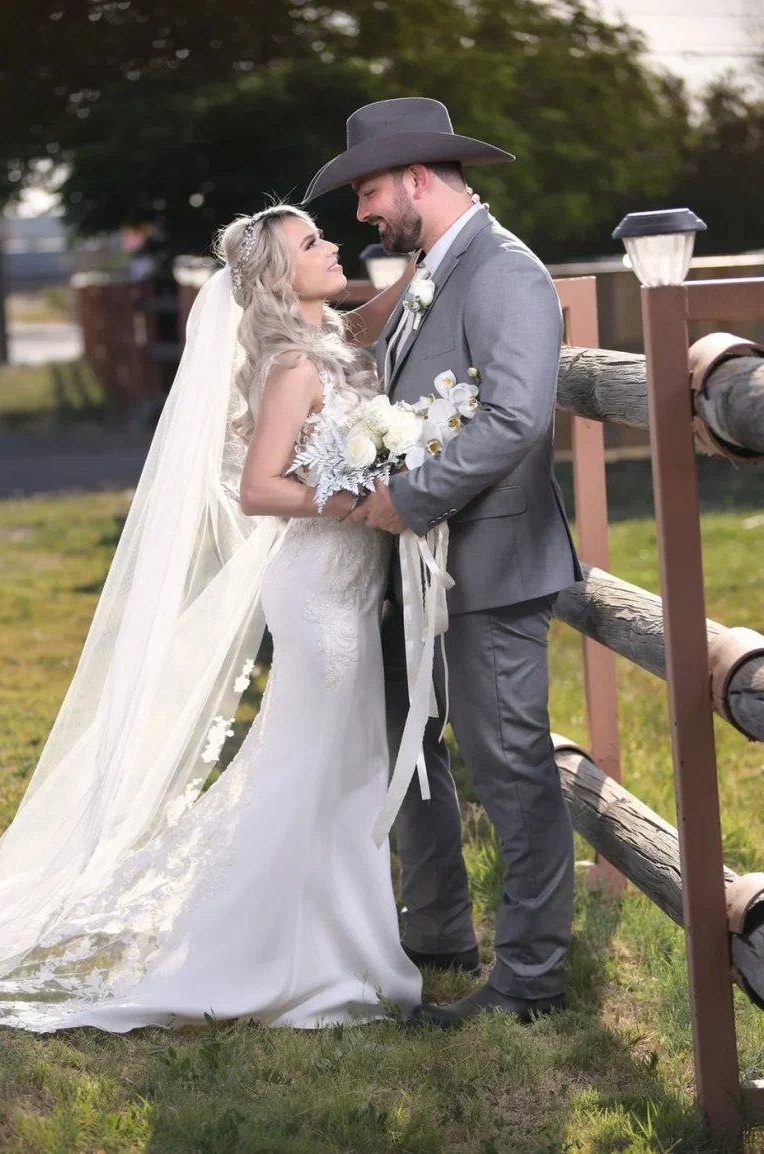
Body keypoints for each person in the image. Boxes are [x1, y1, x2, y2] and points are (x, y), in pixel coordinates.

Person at [0, 204, 422, 1033]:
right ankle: (252, 956)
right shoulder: (293, 365)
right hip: (318, 591)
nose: (333, 245)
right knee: (312, 771)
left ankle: (340, 948)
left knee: (345, 769)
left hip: (346, 585)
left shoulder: (329, 347)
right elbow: (258, 489)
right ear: (279, 278)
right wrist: (361, 503)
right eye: (313, 243)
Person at [303, 97, 583, 1026]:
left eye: (369, 191)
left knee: (509, 767)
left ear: (418, 177)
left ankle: (531, 980)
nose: (361, 212)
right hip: (419, 564)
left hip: (492, 562)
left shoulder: (505, 271)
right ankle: (438, 931)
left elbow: (515, 417)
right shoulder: (435, 267)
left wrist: (409, 498)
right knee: (409, 742)